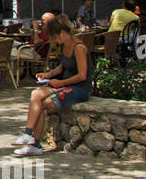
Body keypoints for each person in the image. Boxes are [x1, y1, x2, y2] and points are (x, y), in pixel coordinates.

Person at [14, 14, 92, 157]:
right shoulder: (65, 46)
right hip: (64, 85)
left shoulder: (79, 47)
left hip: (78, 89)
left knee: (43, 104)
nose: (54, 41)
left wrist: (60, 82)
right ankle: (28, 133)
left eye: (55, 37)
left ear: (62, 33)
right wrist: (48, 75)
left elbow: (82, 75)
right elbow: (63, 66)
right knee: (36, 94)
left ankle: (34, 144)